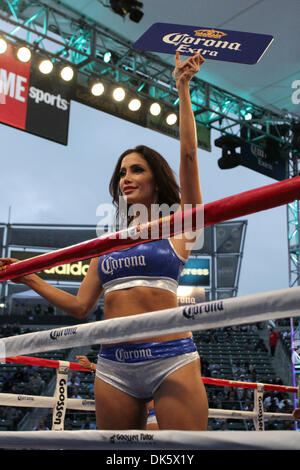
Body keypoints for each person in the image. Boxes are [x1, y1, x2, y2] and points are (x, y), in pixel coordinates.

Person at [0, 52, 208, 431]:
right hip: (114, 365)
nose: (126, 177)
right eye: (122, 172)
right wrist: (30, 278)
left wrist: (182, 87)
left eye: (137, 170)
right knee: (118, 457)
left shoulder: (179, 228)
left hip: (171, 356)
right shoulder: (106, 243)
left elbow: (190, 157)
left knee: (185, 455)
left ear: (156, 180)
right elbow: (81, 307)